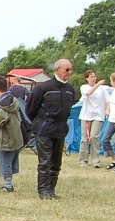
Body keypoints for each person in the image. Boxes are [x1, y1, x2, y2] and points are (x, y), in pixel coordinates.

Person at [26, 58, 77, 199]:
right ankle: (43, 191)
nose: (69, 72)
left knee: (56, 162)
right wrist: (39, 122)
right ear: (57, 70)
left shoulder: (70, 90)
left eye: (71, 69)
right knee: (45, 161)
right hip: (44, 129)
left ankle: (51, 190)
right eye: (66, 69)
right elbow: (30, 108)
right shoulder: (43, 88)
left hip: (60, 130)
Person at [0, 75, 23, 192]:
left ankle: (8, 185)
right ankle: (8, 183)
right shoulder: (12, 99)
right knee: (11, 159)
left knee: (5, 160)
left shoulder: (2, 102)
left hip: (6, 135)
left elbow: (1, 118)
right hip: (16, 134)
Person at [78, 69, 109, 167]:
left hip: (98, 115)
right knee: (85, 138)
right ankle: (83, 160)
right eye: (91, 77)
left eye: (94, 76)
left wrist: (107, 110)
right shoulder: (84, 87)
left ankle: (96, 160)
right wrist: (98, 84)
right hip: (86, 115)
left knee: (94, 137)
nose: (93, 78)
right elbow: (88, 93)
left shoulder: (102, 89)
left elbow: (108, 100)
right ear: (87, 78)